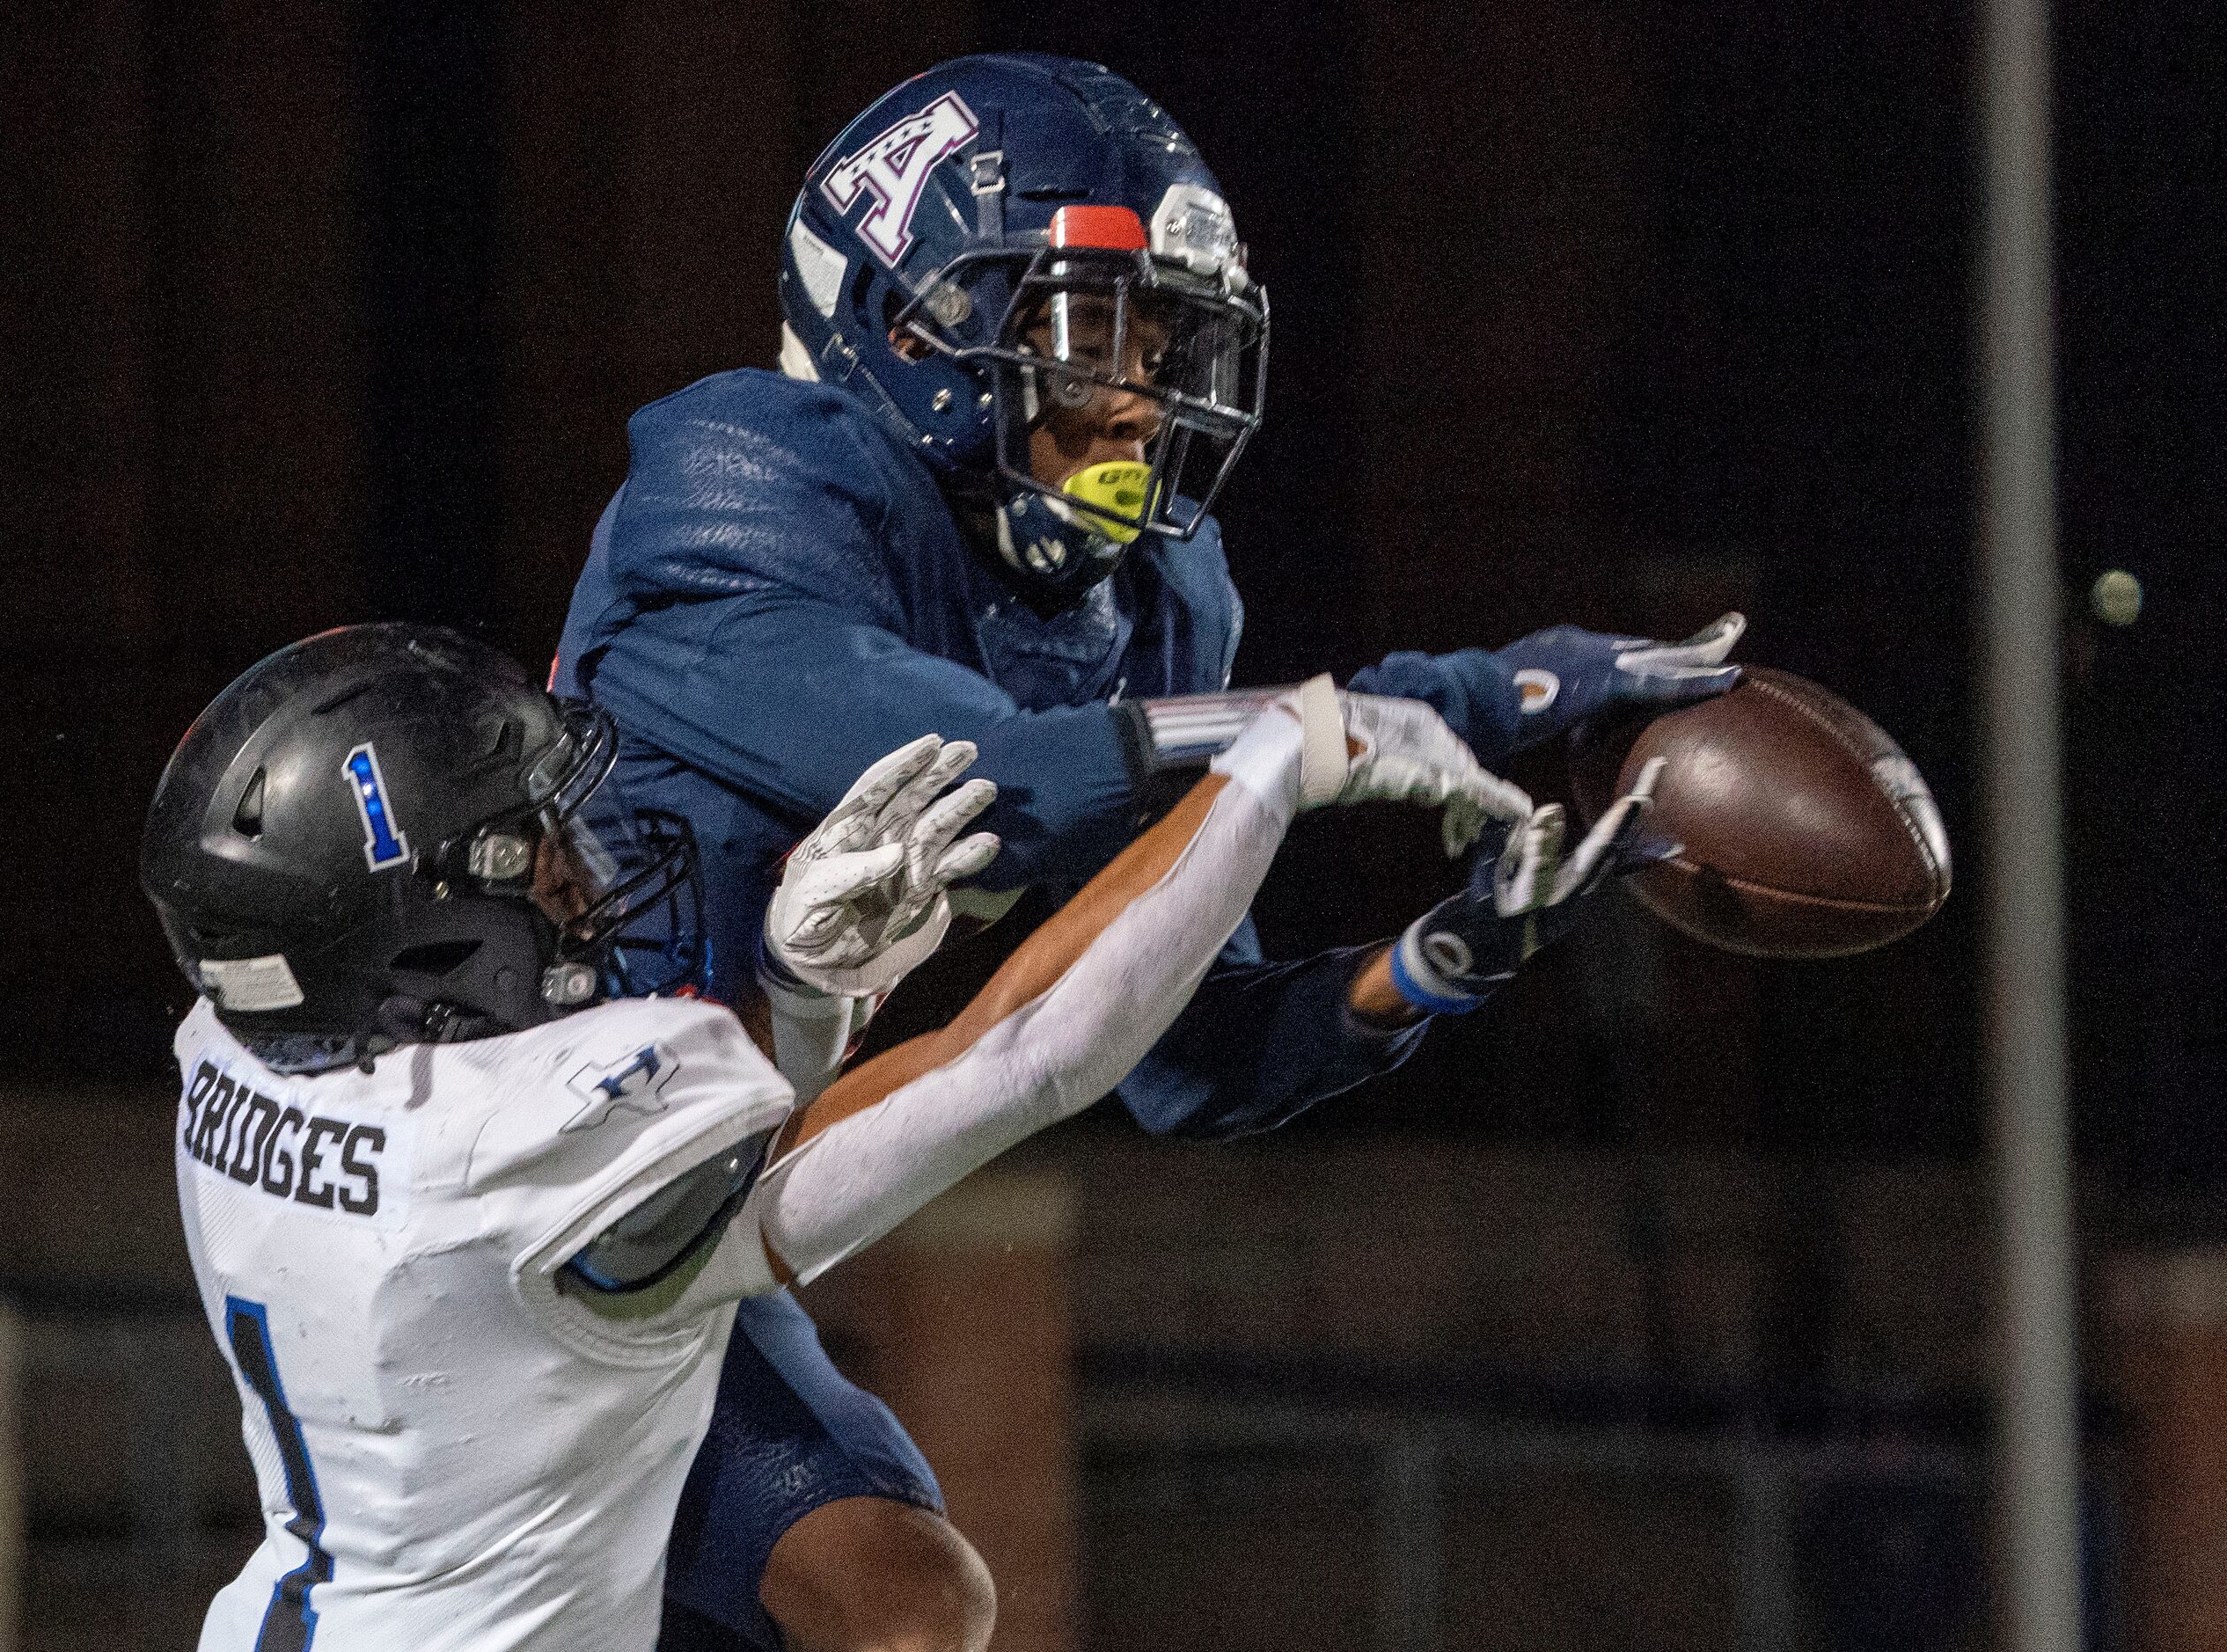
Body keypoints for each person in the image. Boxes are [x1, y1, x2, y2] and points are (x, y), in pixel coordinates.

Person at [552, 52, 1744, 1652]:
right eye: (1087, 328)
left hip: (705, 1203)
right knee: (871, 1607)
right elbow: (996, 778)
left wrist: (1436, 963)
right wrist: (1408, 705)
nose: (1134, 394)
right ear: (912, 327)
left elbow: (1194, 1055)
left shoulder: (1157, 598)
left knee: (886, 1610)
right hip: (516, 1178)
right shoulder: (750, 479)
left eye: (1168, 337)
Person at [142, 621, 1616, 1651]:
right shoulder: (512, 1149)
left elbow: (664, 1223)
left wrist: (801, 991)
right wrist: (1269, 773)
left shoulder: (233, 1053)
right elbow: (1023, 1056)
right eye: (530, 850)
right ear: (427, 932)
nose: (576, 878)